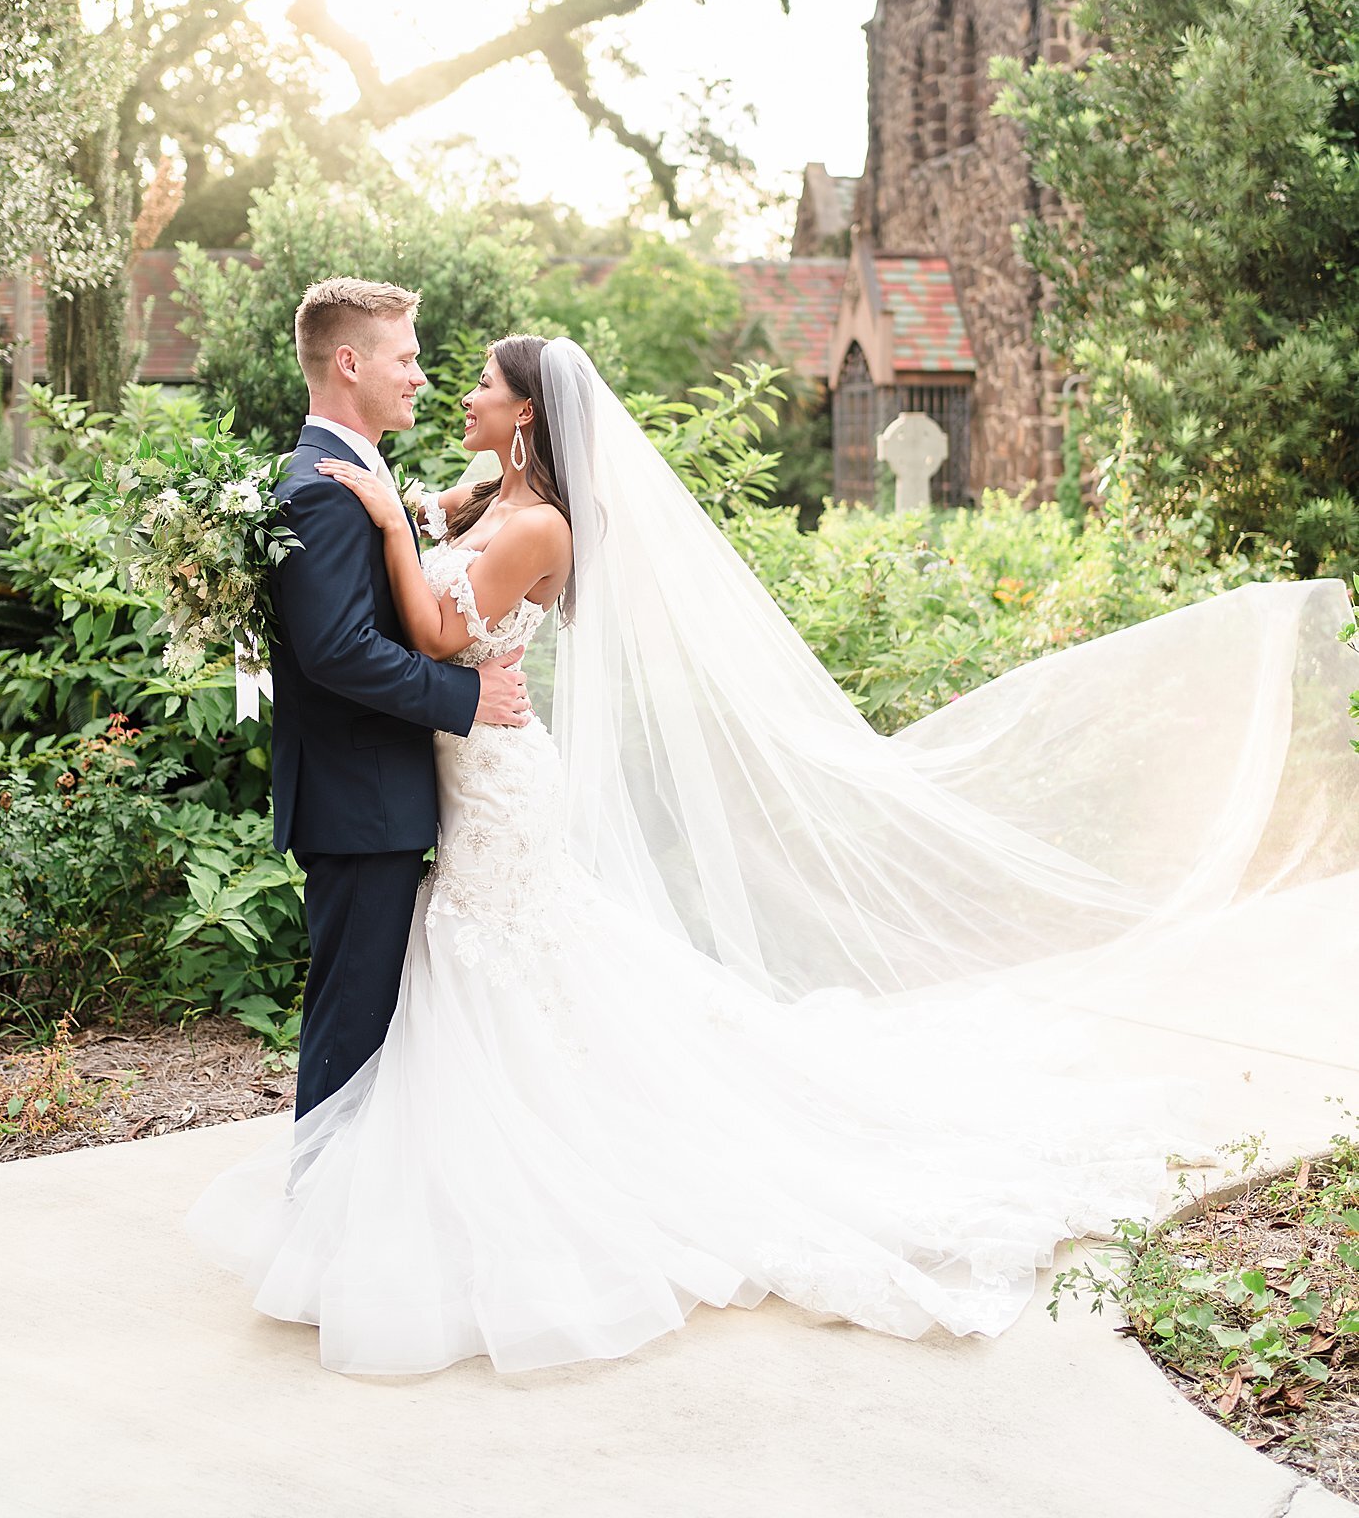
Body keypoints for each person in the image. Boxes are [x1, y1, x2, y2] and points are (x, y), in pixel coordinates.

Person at [188, 333, 1359, 1376]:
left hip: (494, 777)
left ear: (528, 412)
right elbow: (433, 556)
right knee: (491, 977)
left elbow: (446, 629)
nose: (452, 388)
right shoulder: (493, 488)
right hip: (465, 772)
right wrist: (419, 510)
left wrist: (394, 522)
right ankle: (394, 1194)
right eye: (431, 368)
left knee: (501, 973)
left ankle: (483, 1192)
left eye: (482, 385)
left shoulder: (535, 517)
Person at [270, 279, 530, 1120]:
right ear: (349, 362)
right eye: (406, 357)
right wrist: (466, 694)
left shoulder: (352, 474)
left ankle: (347, 1212)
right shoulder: (321, 486)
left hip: (376, 796)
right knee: (352, 1023)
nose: (422, 375)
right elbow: (338, 649)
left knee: (374, 1020)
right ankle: (317, 1221)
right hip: (359, 801)